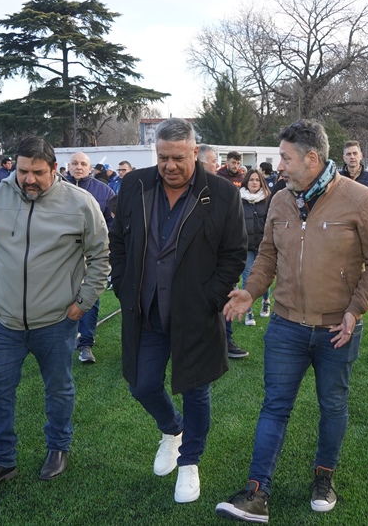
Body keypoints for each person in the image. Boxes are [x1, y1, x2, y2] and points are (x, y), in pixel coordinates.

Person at [216, 119, 368, 523]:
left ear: (312, 158)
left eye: (286, 158)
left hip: (338, 330)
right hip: (286, 326)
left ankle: (323, 477)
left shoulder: (363, 200)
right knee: (274, 406)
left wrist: (355, 309)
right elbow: (267, 256)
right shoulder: (280, 199)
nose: (280, 165)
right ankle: (256, 492)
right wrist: (251, 290)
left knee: (332, 405)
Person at [110, 118, 246, 504]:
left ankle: (190, 461)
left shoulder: (220, 194)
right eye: (163, 157)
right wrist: (123, 285)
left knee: (195, 387)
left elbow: (234, 253)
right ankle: (172, 429)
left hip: (194, 314)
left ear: (195, 152)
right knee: (143, 384)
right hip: (146, 311)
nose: (170, 166)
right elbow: (118, 241)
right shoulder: (135, 184)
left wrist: (211, 297)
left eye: (178, 158)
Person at [0, 136, 110, 493]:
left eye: (38, 173)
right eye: (23, 171)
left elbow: (101, 257)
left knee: (59, 389)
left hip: (57, 321)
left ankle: (58, 449)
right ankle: (1, 461)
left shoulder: (80, 203)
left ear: (55, 170)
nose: (29, 179)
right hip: (4, 321)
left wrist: (82, 304)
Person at [65, 151, 116, 363]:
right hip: (61, 255)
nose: (78, 167)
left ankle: (86, 343)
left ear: (89, 167)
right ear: (68, 166)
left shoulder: (103, 191)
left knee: (89, 297)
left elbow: (113, 223)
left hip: (91, 254)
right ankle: (62, 341)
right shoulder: (55, 188)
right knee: (60, 297)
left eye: (83, 164)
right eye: (74, 163)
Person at [198, 144, 249, 359]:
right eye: (213, 162)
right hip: (197, 265)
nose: (217, 166)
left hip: (221, 262)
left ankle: (225, 341)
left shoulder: (223, 190)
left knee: (226, 295)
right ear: (200, 162)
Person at [239, 168, 271, 325]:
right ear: (246, 181)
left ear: (261, 182)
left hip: (263, 245)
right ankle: (249, 311)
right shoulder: (239, 198)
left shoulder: (267, 199)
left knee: (263, 276)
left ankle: (266, 301)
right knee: (247, 278)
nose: (254, 182)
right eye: (251, 180)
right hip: (245, 245)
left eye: (257, 180)